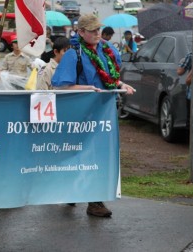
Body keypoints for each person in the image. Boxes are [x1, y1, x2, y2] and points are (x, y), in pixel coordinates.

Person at [52, 14, 135, 218]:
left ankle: (91, 199)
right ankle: (84, 196)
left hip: (103, 113)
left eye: (98, 29)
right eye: (92, 30)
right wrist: (86, 88)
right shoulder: (74, 55)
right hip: (79, 115)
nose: (98, 33)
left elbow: (110, 78)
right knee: (79, 154)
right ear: (80, 32)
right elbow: (59, 86)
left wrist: (122, 85)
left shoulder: (107, 50)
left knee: (98, 154)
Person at [177, 52, 193, 129]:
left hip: (192, 96)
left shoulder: (191, 55)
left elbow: (180, 72)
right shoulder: (191, 55)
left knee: (191, 120)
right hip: (192, 95)